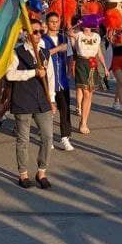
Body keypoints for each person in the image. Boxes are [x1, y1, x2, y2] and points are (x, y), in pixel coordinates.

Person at [7, 22, 55, 189]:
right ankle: (23, 174)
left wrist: (53, 98)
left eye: (40, 31)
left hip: (42, 100)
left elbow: (50, 77)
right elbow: (10, 75)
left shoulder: (44, 52)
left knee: (48, 136)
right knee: (23, 139)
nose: (38, 34)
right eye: (34, 31)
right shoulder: (16, 52)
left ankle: (42, 171)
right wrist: (33, 72)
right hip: (23, 99)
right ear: (26, 33)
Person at [41, 11, 75, 151]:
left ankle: (65, 137)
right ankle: (47, 138)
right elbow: (42, 55)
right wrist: (57, 49)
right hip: (49, 79)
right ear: (47, 23)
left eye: (57, 21)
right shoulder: (42, 39)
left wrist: (70, 67)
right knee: (49, 110)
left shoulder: (63, 38)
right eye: (52, 21)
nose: (55, 24)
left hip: (62, 79)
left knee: (65, 108)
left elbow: (69, 55)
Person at [72, 17, 105, 135]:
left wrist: (105, 67)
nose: (86, 26)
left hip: (92, 64)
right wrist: (77, 24)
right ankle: (82, 121)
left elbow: (99, 52)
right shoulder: (79, 34)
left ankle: (84, 121)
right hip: (81, 63)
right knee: (85, 91)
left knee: (89, 94)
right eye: (85, 24)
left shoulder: (97, 37)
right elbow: (68, 32)